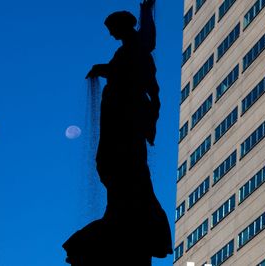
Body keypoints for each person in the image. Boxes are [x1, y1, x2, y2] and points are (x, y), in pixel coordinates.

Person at [63, 1, 172, 264]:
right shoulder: (127, 49)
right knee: (110, 164)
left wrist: (146, 11)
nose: (111, 34)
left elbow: (136, 62)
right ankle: (118, 208)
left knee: (119, 163)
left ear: (122, 26)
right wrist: (105, 70)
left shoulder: (136, 47)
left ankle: (126, 210)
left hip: (126, 117)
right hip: (117, 117)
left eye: (112, 29)